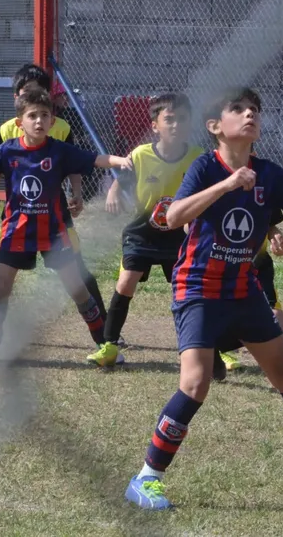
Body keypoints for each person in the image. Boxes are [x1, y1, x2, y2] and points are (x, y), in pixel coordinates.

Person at [125, 88, 283, 510]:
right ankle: (145, 479)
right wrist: (226, 184)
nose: (249, 115)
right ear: (214, 127)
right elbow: (173, 217)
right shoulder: (205, 167)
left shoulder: (269, 173)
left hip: (244, 289)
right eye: (238, 110)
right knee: (195, 383)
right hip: (199, 289)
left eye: (255, 111)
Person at [0, 85, 132, 361]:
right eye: (32, 116)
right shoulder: (9, 151)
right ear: (20, 123)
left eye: (44, 115)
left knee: (77, 288)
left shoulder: (60, 151)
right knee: (1, 285)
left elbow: (94, 159)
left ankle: (104, 343)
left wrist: (121, 160)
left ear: (53, 121)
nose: (39, 121)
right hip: (17, 230)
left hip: (54, 233)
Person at [91, 92, 204, 368]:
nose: (176, 125)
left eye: (182, 119)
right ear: (155, 125)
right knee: (126, 282)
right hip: (142, 232)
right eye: (169, 119)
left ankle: (213, 347)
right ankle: (109, 346)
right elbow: (122, 178)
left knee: (192, 291)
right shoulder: (140, 155)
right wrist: (114, 192)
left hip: (179, 235)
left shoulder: (199, 158)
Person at [216, 220, 283, 395]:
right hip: (217, 266)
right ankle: (213, 355)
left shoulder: (265, 191)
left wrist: (275, 236)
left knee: (274, 313)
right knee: (216, 318)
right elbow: (187, 225)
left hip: (256, 264)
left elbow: (270, 222)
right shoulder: (207, 191)